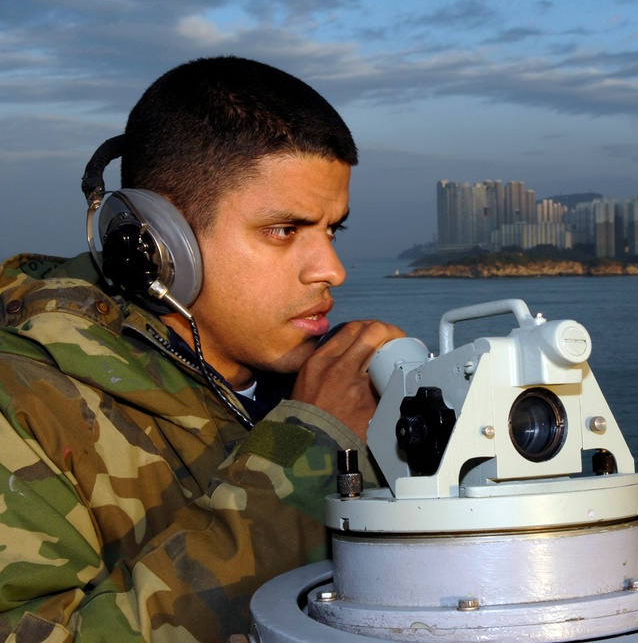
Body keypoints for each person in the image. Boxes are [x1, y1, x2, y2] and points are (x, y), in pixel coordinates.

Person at [0, 56, 405, 641]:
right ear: (158, 244)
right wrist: (306, 452)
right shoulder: (23, 407)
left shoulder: (319, 384)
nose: (332, 270)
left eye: (332, 229)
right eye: (284, 230)